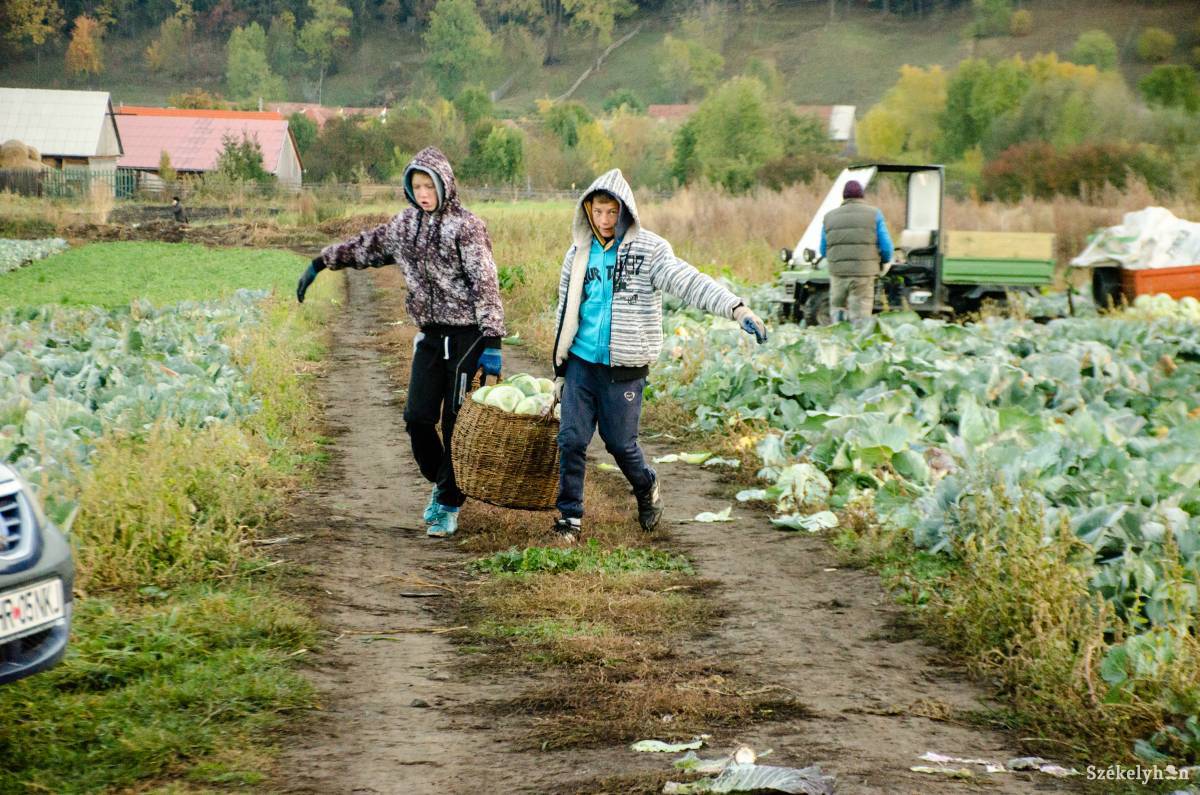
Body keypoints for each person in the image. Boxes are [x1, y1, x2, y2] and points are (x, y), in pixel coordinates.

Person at [295, 147, 505, 539]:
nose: (424, 193)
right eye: (417, 186)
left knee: (457, 424)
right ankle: (446, 485)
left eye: (430, 185)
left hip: (467, 337)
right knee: (417, 419)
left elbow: (485, 282)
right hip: (430, 336)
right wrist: (321, 263)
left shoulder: (466, 227)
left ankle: (446, 505)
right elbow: (366, 247)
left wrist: (493, 339)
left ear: (445, 185)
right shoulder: (404, 226)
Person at [550, 169, 768, 542]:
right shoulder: (578, 255)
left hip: (625, 368)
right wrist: (559, 368)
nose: (604, 221)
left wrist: (737, 309)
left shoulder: (650, 251)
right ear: (587, 210)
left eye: (611, 212)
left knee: (620, 444)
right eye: (597, 212)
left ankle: (646, 485)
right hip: (582, 364)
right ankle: (569, 520)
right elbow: (565, 309)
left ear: (625, 211)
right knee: (571, 440)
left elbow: (689, 281)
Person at [819, 180, 894, 324]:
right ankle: (857, 342)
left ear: (844, 197)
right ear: (862, 196)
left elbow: (823, 250)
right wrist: (882, 262)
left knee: (837, 310)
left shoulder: (829, 217)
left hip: (838, 273)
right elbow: (887, 248)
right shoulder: (874, 214)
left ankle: (839, 339)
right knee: (860, 315)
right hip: (864, 274)